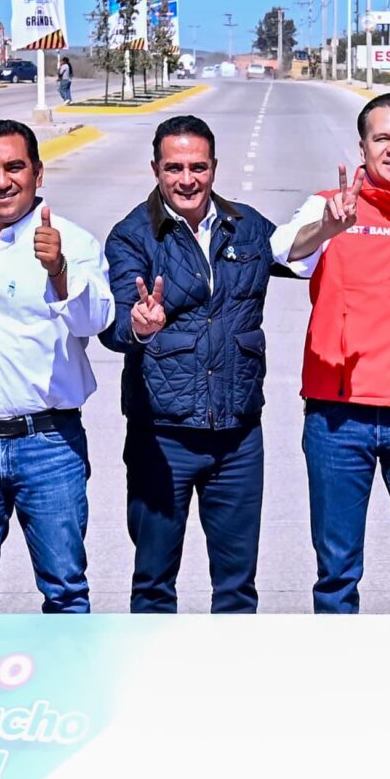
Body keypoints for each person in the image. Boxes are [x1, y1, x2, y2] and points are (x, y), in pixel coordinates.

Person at [273, 91, 390, 614]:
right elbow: (283, 250)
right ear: (362, 146)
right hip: (338, 420)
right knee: (337, 572)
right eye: (383, 138)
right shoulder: (331, 205)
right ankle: (341, 680)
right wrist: (328, 227)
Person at [0, 120, 114, 613]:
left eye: (14, 167)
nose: (1, 181)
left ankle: (69, 688)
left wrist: (59, 271)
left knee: (65, 589)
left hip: (48, 444)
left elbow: (94, 320)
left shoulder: (71, 240)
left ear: (38, 172)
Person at [99, 115, 279, 613]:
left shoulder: (246, 225)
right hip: (163, 437)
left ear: (214, 167)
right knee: (154, 582)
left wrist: (332, 223)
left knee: (238, 588)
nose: (187, 180)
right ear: (156, 168)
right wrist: (140, 325)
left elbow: (301, 252)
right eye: (174, 167)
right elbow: (114, 325)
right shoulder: (132, 236)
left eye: (198, 167)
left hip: (238, 437)